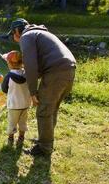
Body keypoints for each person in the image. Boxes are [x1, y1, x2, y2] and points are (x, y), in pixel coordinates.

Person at [7, 18, 76, 156]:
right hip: (69, 69)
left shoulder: (26, 36)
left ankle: (44, 148)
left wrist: (33, 92)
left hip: (56, 72)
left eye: (12, 34)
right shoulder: (39, 33)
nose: (13, 37)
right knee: (51, 109)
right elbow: (37, 67)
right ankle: (46, 141)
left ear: (16, 31)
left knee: (43, 111)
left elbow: (31, 65)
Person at [1, 51, 31, 147]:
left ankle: (10, 139)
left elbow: (4, 89)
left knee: (12, 123)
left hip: (14, 105)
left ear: (9, 64)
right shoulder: (27, 74)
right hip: (25, 104)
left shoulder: (8, 76)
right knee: (23, 122)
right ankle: (21, 138)